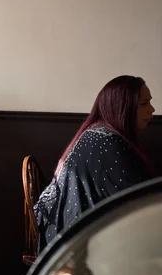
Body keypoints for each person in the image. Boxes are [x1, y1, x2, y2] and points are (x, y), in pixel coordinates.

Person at [35, 75, 156, 250]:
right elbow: (140, 201)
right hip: (72, 247)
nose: (152, 110)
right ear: (122, 107)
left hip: (66, 235)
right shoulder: (107, 143)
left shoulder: (99, 133)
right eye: (144, 104)